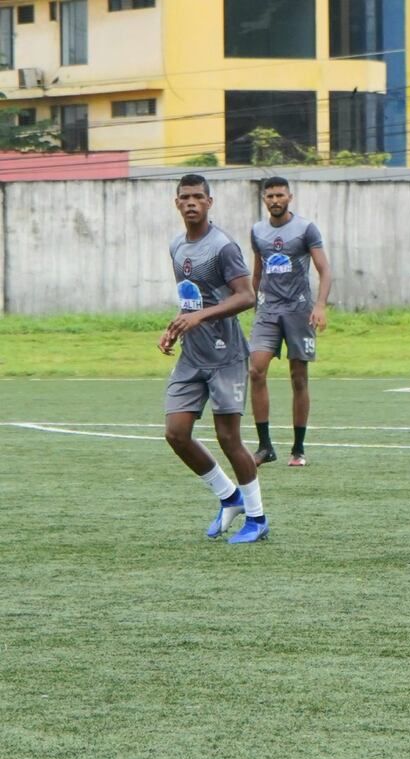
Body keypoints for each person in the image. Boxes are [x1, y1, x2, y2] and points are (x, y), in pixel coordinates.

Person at [158, 173, 268, 543]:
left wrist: (199, 317)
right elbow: (193, 299)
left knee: (228, 438)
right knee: (176, 433)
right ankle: (229, 497)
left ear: (209, 202)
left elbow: (246, 296)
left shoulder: (222, 246)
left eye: (197, 197)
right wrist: (175, 327)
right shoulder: (176, 246)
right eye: (184, 197)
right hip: (193, 355)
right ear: (177, 203)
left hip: (226, 354)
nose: (191, 202)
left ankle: (257, 518)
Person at [248, 176, 333, 467]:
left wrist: (320, 305)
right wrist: (251, 300)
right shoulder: (258, 231)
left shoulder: (305, 229)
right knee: (255, 370)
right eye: (269, 196)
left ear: (289, 197)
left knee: (298, 377)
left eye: (279, 195)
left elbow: (324, 269)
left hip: (298, 310)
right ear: (264, 199)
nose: (275, 200)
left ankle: (298, 449)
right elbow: (257, 272)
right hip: (268, 310)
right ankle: (265, 446)